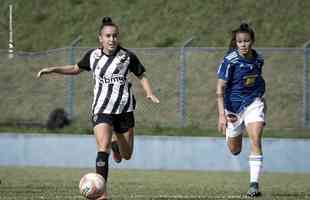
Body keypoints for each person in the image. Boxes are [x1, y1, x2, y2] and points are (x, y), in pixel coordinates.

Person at [37, 17, 160, 199]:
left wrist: (149, 92)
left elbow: (142, 75)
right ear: (100, 38)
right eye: (108, 36)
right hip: (101, 110)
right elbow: (75, 68)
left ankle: (117, 147)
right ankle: (102, 193)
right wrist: (53, 69)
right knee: (102, 148)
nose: (112, 39)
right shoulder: (93, 56)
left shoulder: (127, 57)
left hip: (124, 111)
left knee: (127, 155)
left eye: (115, 36)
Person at [216, 23, 266, 197]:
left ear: (252, 41)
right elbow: (219, 89)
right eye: (240, 41)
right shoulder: (230, 61)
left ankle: (254, 185)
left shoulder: (258, 60)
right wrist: (222, 115)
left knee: (256, 139)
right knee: (235, 150)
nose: (243, 44)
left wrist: (262, 99)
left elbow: (258, 81)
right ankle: (233, 132)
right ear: (236, 43)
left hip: (253, 103)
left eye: (246, 41)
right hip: (233, 109)